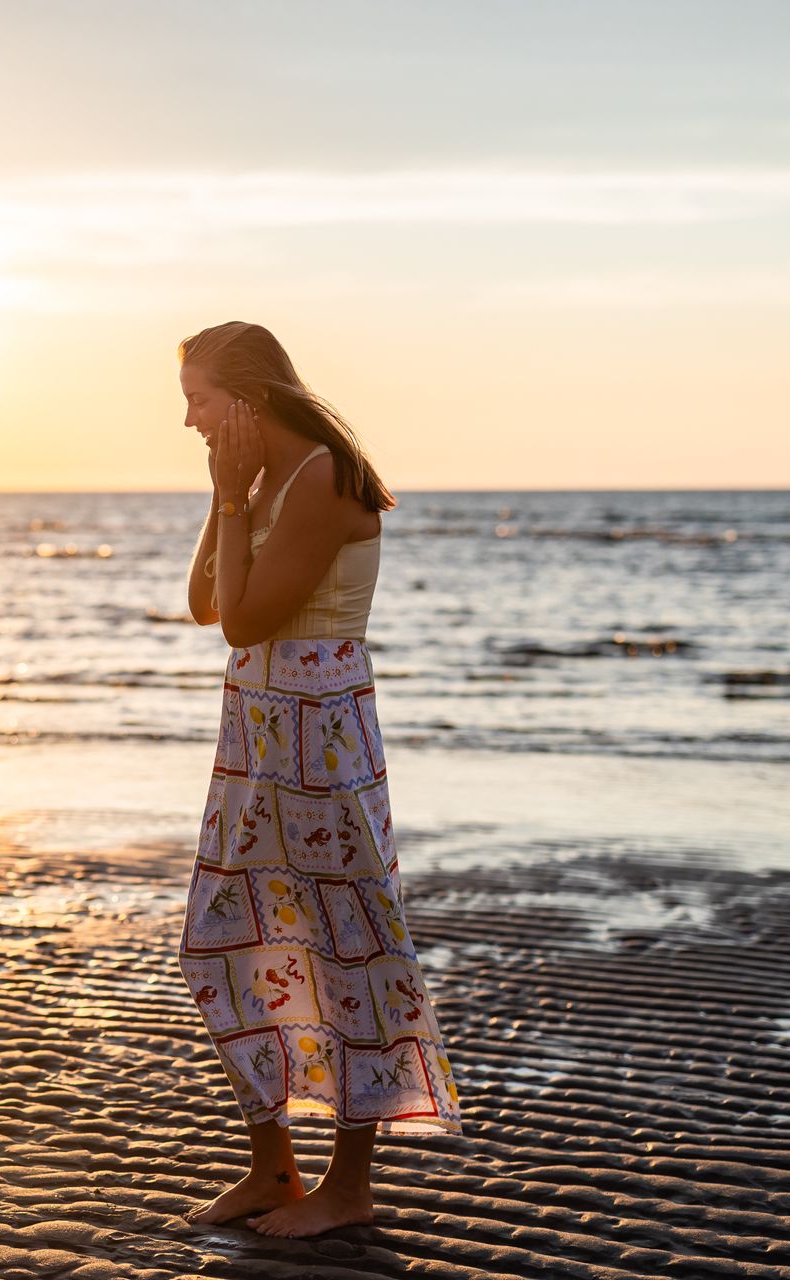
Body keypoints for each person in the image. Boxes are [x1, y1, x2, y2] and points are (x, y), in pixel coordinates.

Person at [175, 322, 462, 1238]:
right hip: (259, 738)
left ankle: (349, 1186)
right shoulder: (259, 481)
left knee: (348, 947)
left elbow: (245, 619)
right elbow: (205, 600)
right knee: (222, 937)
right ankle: (273, 1167)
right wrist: (228, 492)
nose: (188, 420)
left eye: (199, 400)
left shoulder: (328, 478)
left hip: (321, 742)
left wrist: (232, 498)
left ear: (248, 398)